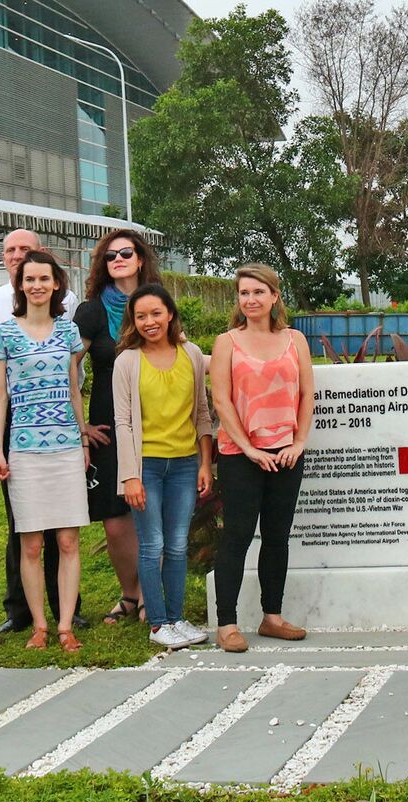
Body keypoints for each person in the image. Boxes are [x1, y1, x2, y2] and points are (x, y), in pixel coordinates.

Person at [208, 264, 315, 653]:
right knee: (236, 536)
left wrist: (299, 441)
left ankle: (272, 617)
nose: (250, 299)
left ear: (274, 296)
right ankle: (227, 624)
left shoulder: (295, 340)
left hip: (287, 453)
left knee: (277, 536)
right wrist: (250, 449)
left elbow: (307, 395)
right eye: (243, 293)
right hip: (240, 454)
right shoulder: (227, 343)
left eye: (258, 292)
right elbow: (221, 400)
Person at [0, 250, 89, 652]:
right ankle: (40, 627)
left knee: (67, 541)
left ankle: (65, 626)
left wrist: (82, 440)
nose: (37, 286)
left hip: (64, 448)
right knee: (30, 544)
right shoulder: (3, 333)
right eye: (29, 279)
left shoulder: (69, 332)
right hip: (25, 450)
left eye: (44, 278)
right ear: (20, 285)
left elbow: (75, 390)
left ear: (56, 283)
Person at [112, 284, 215, 649]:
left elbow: (203, 414)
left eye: (156, 313)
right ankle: (158, 624)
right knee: (152, 544)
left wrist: (205, 463)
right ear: (133, 321)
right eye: (141, 316)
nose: (149, 322)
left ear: (169, 313)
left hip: (185, 465)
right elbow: (122, 422)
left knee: (176, 545)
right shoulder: (126, 361)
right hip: (147, 467)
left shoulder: (191, 354)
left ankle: (177, 617)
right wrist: (130, 477)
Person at [75, 230, 160, 626]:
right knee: (114, 518)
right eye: (111, 256)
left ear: (140, 258)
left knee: (152, 510)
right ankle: (131, 593)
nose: (119, 260)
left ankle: (151, 593)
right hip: (108, 426)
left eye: (126, 253)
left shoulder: (158, 304)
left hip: (157, 422)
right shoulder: (91, 311)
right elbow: (67, 368)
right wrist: (82, 426)